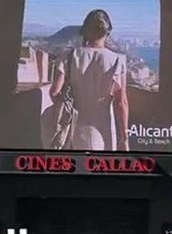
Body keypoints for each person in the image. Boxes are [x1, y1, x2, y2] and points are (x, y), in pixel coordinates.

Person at [49, 9, 129, 151]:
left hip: (75, 129)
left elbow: (54, 92)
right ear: (107, 32)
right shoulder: (117, 60)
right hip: (104, 130)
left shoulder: (69, 55)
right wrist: (124, 138)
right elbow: (121, 103)